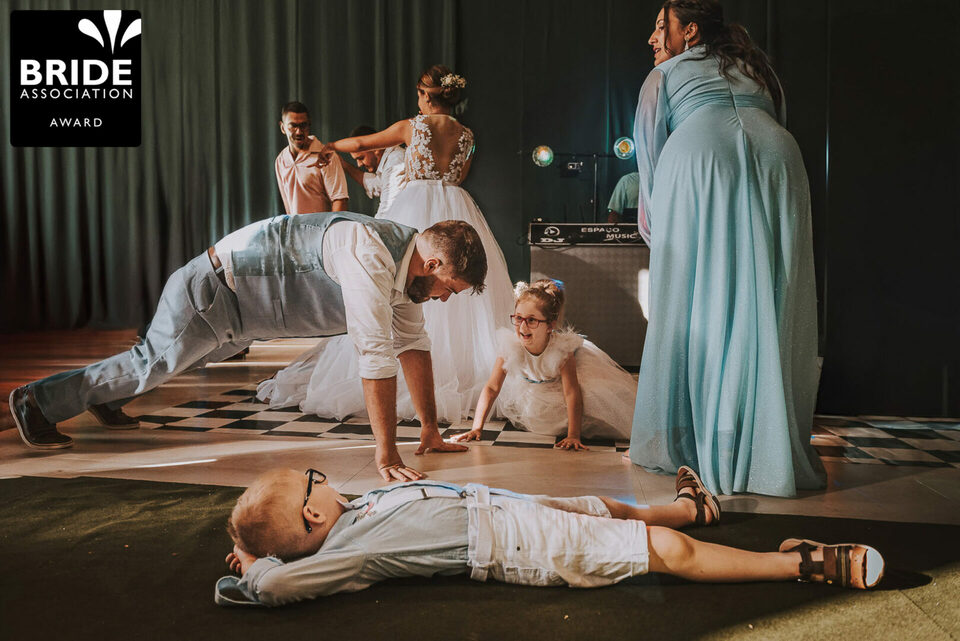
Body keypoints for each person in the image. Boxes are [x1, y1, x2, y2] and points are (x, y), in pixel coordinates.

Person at [9, 213, 487, 481]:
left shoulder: (407, 274)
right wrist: (386, 456)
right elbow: (377, 354)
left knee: (158, 366)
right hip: (215, 291)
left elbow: (413, 345)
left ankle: (107, 397)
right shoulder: (369, 250)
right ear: (434, 261)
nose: (444, 298)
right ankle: (37, 402)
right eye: (450, 287)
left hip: (241, 313)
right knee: (151, 363)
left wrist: (428, 430)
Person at [628, 0, 826, 497]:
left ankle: (707, 443)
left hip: (702, 158)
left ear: (688, 31)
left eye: (660, 27)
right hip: (779, 157)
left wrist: (655, 225)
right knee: (770, 292)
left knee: (706, 299)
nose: (653, 39)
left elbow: (648, 152)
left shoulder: (665, 74)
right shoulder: (756, 66)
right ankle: (763, 449)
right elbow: (778, 114)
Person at [214, 466, 883, 606]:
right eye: (314, 479)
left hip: (502, 508)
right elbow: (274, 581)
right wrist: (251, 562)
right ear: (312, 516)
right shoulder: (346, 548)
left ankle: (690, 509)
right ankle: (797, 566)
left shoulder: (354, 511)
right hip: (516, 543)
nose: (324, 478)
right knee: (655, 555)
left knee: (603, 506)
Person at [259, 65, 514, 423]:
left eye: (419, 95)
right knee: (457, 291)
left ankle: (405, 377)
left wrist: (330, 147)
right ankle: (463, 375)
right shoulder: (467, 135)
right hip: (457, 204)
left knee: (395, 275)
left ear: (426, 95)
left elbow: (364, 143)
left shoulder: (414, 126)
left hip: (416, 205)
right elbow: (461, 175)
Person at [453, 280, 635, 450]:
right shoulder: (510, 346)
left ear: (550, 325)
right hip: (537, 387)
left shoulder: (562, 350)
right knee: (541, 417)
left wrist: (573, 435)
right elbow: (492, 387)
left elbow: (571, 392)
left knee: (598, 400)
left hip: (569, 379)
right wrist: (477, 427)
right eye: (518, 318)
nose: (523, 327)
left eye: (532, 320)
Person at [275, 101, 349, 215]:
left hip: (323, 231)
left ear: (309, 125)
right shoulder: (280, 160)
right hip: (297, 231)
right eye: (293, 126)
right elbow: (288, 206)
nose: (299, 132)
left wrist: (331, 231)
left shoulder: (326, 156)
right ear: (283, 127)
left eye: (303, 125)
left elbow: (340, 200)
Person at [338, 124, 407, 217]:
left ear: (375, 148)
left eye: (361, 158)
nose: (359, 165)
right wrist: (343, 164)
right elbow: (375, 184)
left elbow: (388, 208)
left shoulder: (395, 161)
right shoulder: (388, 161)